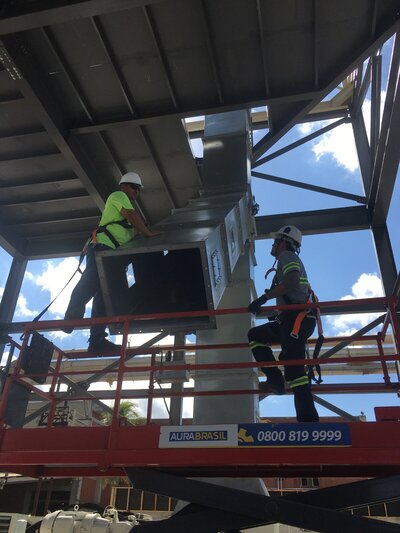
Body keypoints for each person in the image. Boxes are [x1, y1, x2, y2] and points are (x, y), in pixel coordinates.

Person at [62, 172, 160, 354]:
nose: (137, 194)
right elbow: (130, 214)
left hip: (112, 255)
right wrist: (147, 232)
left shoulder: (129, 223)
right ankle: (72, 315)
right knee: (92, 281)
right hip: (102, 247)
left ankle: (96, 341)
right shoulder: (119, 196)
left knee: (103, 296)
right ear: (127, 186)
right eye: (136, 189)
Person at [247, 225, 319, 422]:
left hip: (297, 319)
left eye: (276, 241)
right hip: (290, 319)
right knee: (256, 335)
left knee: (295, 369)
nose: (273, 245)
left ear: (284, 242)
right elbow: (290, 288)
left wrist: (264, 298)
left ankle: (309, 422)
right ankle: (276, 381)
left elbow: (292, 281)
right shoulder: (286, 259)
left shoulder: (286, 255)